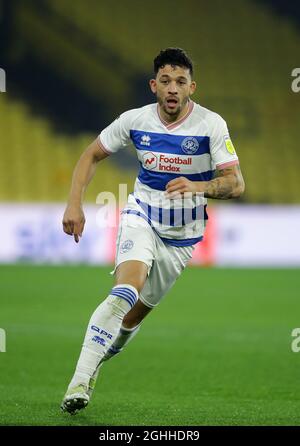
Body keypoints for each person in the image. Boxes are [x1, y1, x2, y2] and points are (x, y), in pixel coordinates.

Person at [61, 47, 245, 414]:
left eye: (180, 81)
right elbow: (91, 154)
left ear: (192, 87)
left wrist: (199, 186)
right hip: (141, 217)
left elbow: (235, 183)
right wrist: (73, 203)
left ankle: (97, 363)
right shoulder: (134, 120)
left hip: (184, 239)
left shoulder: (211, 125)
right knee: (124, 292)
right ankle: (78, 381)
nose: (172, 88)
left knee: (127, 324)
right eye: (165, 81)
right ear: (153, 86)